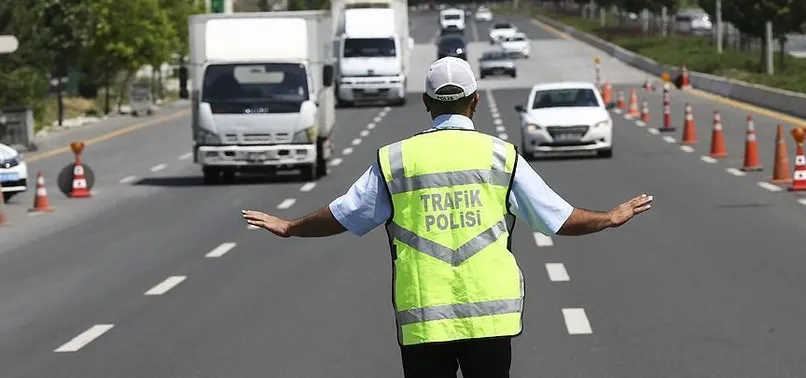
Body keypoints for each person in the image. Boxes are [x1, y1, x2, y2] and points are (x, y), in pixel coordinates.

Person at [241, 57, 653, 378]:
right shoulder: (500, 155)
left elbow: (346, 215)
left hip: (424, 317)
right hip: (491, 319)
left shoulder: (396, 159)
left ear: (426, 104)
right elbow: (559, 219)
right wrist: (610, 216)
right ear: (475, 102)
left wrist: (290, 227)